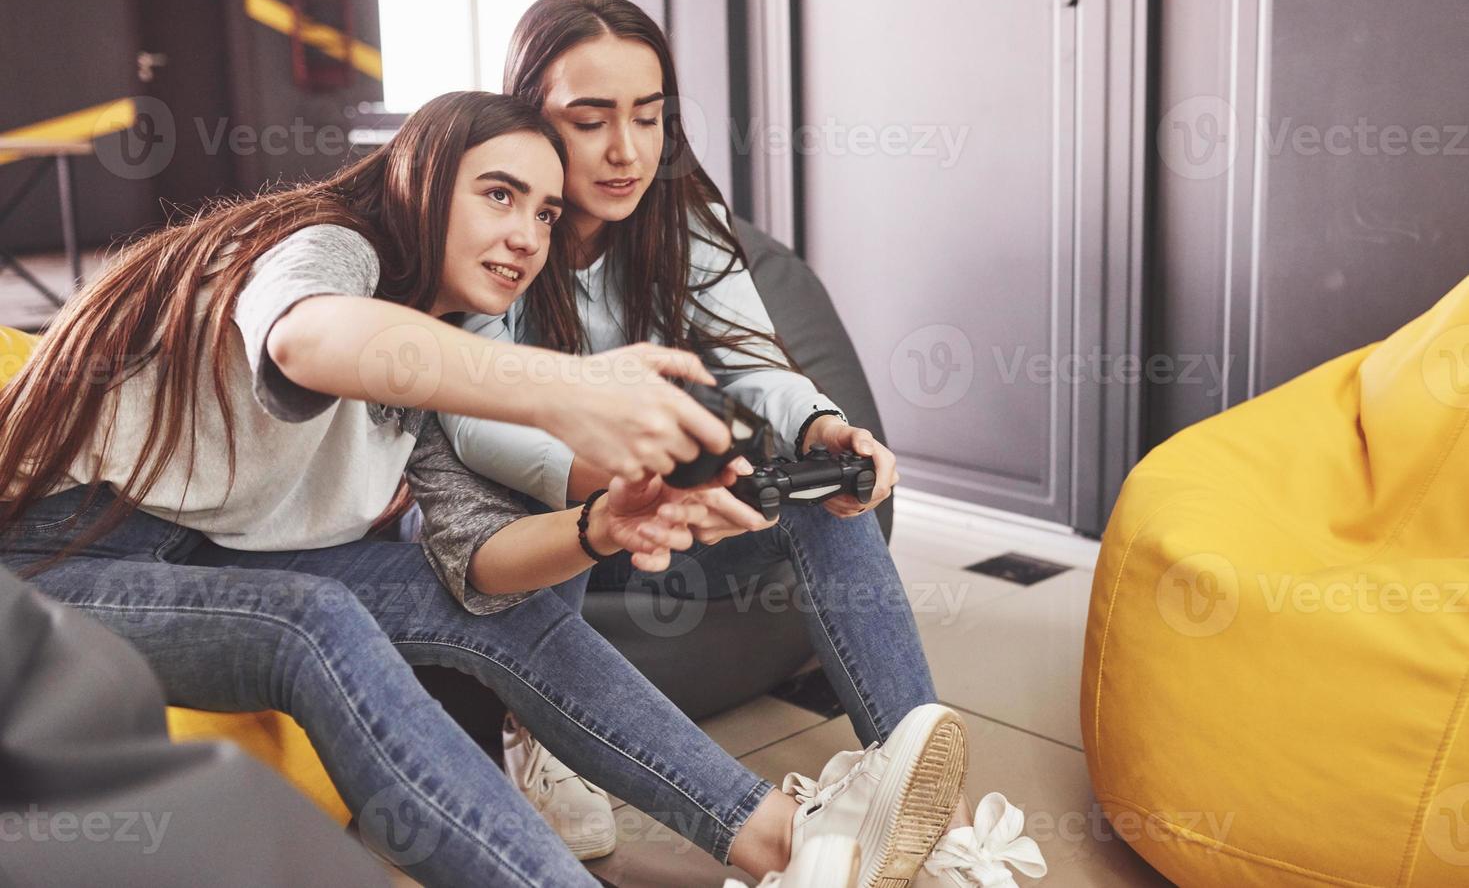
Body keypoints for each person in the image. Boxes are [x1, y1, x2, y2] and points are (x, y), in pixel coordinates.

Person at [0, 91, 994, 887]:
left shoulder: (437, 356)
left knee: (514, 617)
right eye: (499, 194)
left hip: (219, 546)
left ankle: (783, 845)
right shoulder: (326, 245)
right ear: (422, 181)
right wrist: (570, 390)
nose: (526, 233)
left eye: (545, 210)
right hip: (65, 553)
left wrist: (602, 525)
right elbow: (313, 336)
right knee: (315, 621)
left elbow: (478, 566)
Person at [442, 0, 1049, 888]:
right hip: (565, 529)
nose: (626, 151)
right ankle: (544, 734)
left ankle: (923, 813)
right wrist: (618, 483)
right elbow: (478, 419)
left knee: (825, 497)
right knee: (523, 487)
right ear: (529, 118)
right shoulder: (489, 226)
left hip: (672, 512)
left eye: (648, 117)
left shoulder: (680, 214)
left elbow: (752, 358)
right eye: (590, 119)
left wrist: (822, 427)